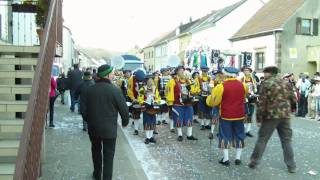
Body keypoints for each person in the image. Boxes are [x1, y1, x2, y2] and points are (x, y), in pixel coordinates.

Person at [82, 64, 129, 180]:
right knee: (108, 157)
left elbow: (83, 109)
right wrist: (125, 122)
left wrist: (90, 120)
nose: (113, 75)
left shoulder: (89, 90)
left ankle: (97, 174)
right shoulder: (115, 90)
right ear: (107, 75)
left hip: (94, 128)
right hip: (109, 130)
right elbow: (124, 110)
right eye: (112, 73)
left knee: (96, 152)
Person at [248, 66, 296, 173]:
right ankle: (291, 165)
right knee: (287, 140)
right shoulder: (285, 83)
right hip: (285, 115)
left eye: (265, 73)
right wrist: (291, 109)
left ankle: (254, 162)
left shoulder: (266, 84)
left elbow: (262, 103)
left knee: (262, 139)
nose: (264, 75)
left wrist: (259, 118)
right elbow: (293, 98)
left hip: (271, 116)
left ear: (269, 73)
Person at [207, 67, 248, 166]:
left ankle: (226, 159)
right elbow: (244, 97)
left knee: (225, 136)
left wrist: (209, 99)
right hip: (239, 115)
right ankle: (238, 158)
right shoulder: (243, 85)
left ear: (226, 74)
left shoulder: (221, 86)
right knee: (239, 135)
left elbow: (213, 102)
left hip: (226, 115)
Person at [167, 66, 198, 142]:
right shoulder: (172, 81)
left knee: (189, 118)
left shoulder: (188, 80)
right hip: (178, 104)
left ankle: (189, 135)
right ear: (177, 72)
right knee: (178, 119)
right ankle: (180, 135)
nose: (182, 72)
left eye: (183, 71)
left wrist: (191, 86)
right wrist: (170, 103)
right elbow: (169, 91)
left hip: (188, 103)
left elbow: (193, 91)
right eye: (180, 70)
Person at [142, 74, 161, 144]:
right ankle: (147, 137)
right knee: (147, 122)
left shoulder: (155, 89)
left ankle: (151, 137)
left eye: (152, 80)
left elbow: (158, 97)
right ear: (146, 81)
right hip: (146, 108)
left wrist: (157, 101)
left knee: (152, 122)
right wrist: (144, 102)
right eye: (149, 80)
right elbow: (140, 98)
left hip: (153, 108)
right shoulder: (143, 89)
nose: (151, 81)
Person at [127, 69, 146, 135]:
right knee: (136, 114)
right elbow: (129, 90)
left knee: (146, 114)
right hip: (135, 99)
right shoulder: (131, 79)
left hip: (143, 99)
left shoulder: (145, 79)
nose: (140, 82)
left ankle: (149, 128)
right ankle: (136, 129)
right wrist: (133, 98)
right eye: (138, 80)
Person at [241, 66, 258, 138]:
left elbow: (255, 89)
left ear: (250, 71)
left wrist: (254, 93)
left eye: (247, 70)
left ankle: (248, 131)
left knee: (251, 114)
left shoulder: (253, 79)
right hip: (245, 98)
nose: (246, 72)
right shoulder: (241, 79)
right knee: (245, 114)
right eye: (245, 70)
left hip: (252, 98)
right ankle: (243, 130)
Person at [198, 66, 212, 130]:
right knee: (202, 111)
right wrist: (199, 91)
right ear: (201, 71)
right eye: (203, 71)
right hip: (201, 96)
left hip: (208, 96)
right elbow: (196, 87)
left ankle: (207, 124)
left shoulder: (210, 78)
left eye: (206, 71)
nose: (204, 72)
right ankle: (202, 124)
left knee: (208, 110)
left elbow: (212, 86)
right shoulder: (198, 78)